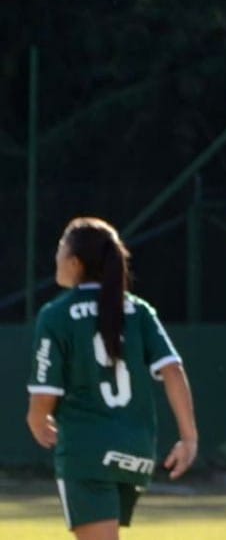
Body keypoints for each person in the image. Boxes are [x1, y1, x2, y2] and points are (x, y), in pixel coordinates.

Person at [25, 217, 198, 540]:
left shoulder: (57, 314)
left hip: (86, 451)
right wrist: (189, 438)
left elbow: (45, 391)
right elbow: (173, 370)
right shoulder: (139, 310)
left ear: (75, 263)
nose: (56, 257)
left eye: (61, 248)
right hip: (135, 451)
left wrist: (36, 418)